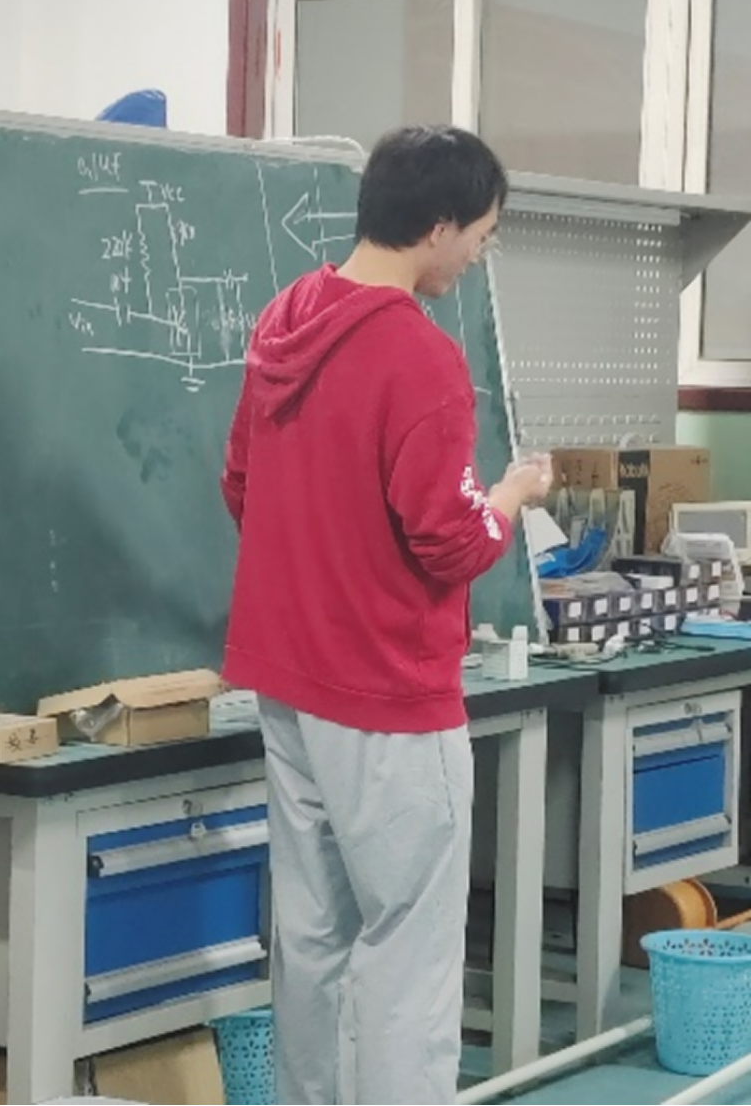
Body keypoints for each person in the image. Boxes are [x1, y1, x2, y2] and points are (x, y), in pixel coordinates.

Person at [221, 125, 552, 1106]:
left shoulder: (286, 318)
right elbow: (450, 540)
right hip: (386, 697)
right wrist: (508, 496)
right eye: (480, 237)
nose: (477, 256)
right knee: (408, 949)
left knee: (314, 936)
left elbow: (242, 484)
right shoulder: (418, 355)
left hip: (287, 683)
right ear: (438, 226)